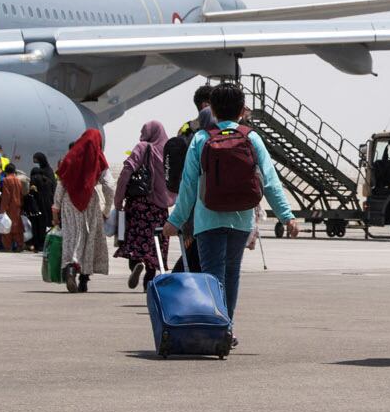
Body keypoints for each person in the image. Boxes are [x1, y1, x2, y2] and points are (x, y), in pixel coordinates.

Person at [164, 82, 297, 327]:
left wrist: (175, 220)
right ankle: (226, 326)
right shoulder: (252, 138)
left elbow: (188, 186)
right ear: (241, 111)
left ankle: (218, 327)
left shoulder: (201, 139)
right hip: (240, 219)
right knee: (231, 274)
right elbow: (270, 181)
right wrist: (286, 216)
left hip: (208, 220)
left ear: (212, 110)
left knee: (212, 276)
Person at [163, 85, 218, 273]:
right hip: (207, 202)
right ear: (206, 104)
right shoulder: (208, 131)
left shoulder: (185, 129)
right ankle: (180, 284)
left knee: (194, 248)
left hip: (190, 201)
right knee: (198, 252)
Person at [115, 119, 174, 288]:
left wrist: (118, 199)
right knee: (155, 245)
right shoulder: (168, 150)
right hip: (161, 208)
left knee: (135, 242)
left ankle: (136, 264)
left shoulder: (142, 147)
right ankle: (149, 280)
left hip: (139, 205)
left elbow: (127, 170)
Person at [55, 130, 113, 291]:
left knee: (72, 236)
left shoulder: (71, 156)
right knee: (89, 238)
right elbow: (109, 185)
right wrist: (107, 208)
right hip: (90, 201)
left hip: (69, 200)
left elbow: (61, 182)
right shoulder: (99, 158)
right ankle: (84, 279)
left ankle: (70, 268)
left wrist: (56, 205)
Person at [26, 152, 56, 251]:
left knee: (38, 224)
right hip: (48, 202)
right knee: (45, 223)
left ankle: (38, 243)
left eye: (36, 160)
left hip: (40, 203)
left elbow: (32, 191)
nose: (35, 163)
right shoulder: (45, 173)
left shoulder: (43, 173)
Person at [0, 164, 28, 253]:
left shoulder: (6, 180)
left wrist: (2, 209)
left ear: (6, 171)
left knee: (7, 226)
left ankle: (8, 247)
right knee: (18, 226)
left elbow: (6, 196)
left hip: (9, 207)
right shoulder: (18, 180)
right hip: (18, 206)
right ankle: (20, 245)